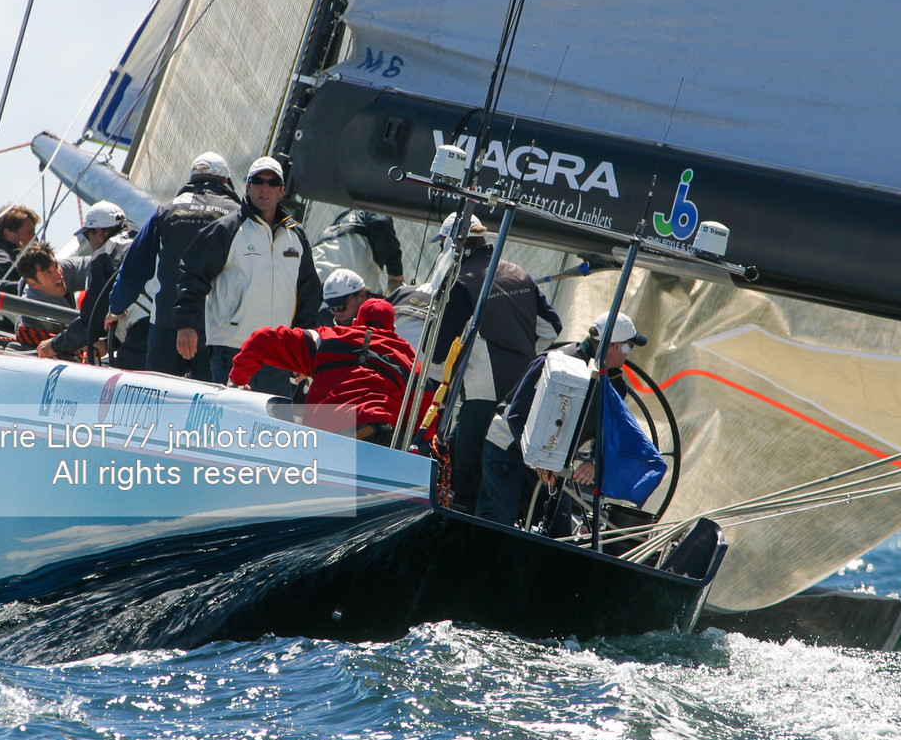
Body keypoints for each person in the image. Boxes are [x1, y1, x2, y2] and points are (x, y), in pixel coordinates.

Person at [429, 212, 561, 511]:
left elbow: (437, 355)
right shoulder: (518, 272)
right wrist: (521, 353)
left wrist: (442, 379)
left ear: (453, 245)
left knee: (466, 469)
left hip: (484, 391)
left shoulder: (461, 281)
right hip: (525, 390)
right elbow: (551, 327)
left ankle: (464, 527)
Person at [478, 311, 648, 532]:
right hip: (508, 448)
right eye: (629, 347)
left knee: (558, 533)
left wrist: (595, 462)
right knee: (496, 523)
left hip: (552, 465)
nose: (628, 354)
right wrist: (540, 460)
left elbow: (607, 431)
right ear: (615, 347)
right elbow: (517, 415)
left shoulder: (615, 386)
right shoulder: (551, 363)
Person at [173, 156, 323, 397]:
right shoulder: (226, 229)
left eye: (272, 182)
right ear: (247, 187)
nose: (265, 188)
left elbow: (309, 293)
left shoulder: (297, 235)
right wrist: (187, 324)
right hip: (232, 347)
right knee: (229, 425)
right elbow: (191, 275)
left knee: (273, 429)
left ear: (282, 190)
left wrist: (304, 348)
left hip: (280, 353)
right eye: (258, 181)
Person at [104, 152, 242, 379]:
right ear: (226, 180)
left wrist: (116, 308)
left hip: (167, 325)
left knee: (160, 403)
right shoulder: (238, 214)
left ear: (191, 180)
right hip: (219, 329)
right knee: (213, 403)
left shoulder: (165, 212)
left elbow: (133, 271)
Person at [228, 297, 416, 443]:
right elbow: (422, 413)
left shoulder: (325, 338)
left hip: (323, 434)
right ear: (393, 328)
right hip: (373, 435)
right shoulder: (410, 360)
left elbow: (262, 340)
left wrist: (237, 381)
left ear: (355, 321)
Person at [39, 201, 133, 361]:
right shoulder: (143, 240)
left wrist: (53, 345)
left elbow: (91, 322)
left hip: (141, 345)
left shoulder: (104, 255)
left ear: (98, 232)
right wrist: (109, 342)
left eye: (87, 235)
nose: (88, 242)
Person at [311, 209, 405, 302]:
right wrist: (395, 274)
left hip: (314, 282)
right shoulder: (366, 207)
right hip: (350, 282)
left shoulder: (332, 231)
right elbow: (380, 223)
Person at [12, 240, 86, 349]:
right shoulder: (30, 318)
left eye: (56, 266)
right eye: (48, 272)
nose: (58, 274)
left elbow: (103, 263)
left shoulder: (63, 269)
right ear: (33, 283)